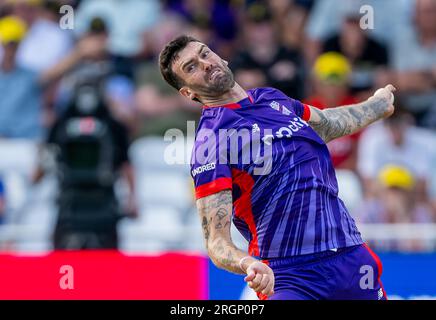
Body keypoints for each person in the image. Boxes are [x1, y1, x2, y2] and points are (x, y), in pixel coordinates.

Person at [159, 35, 396, 300]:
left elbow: (327, 124)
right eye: (190, 67)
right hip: (290, 276)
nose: (204, 64)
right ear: (187, 92)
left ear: (220, 57)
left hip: (350, 258)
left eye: (205, 53)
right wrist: (247, 263)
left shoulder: (271, 99)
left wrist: (377, 106)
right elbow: (216, 243)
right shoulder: (210, 141)